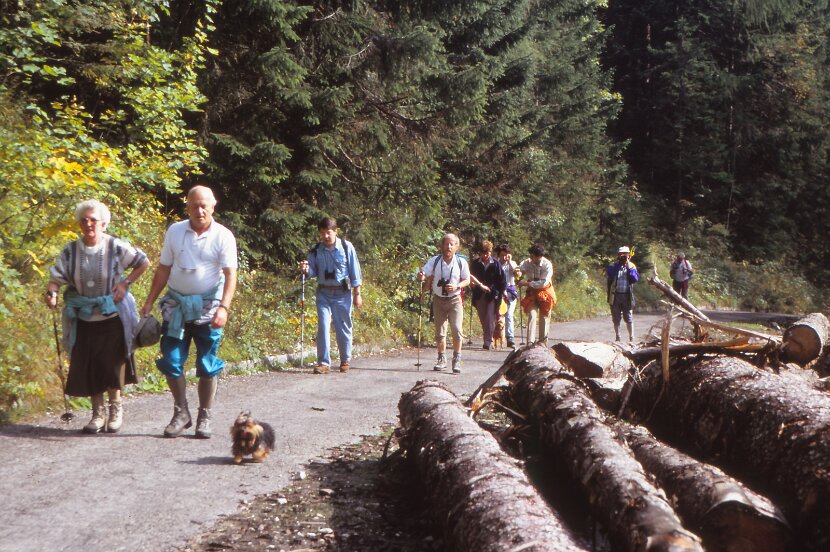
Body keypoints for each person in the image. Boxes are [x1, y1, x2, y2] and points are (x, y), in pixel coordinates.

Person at [140, 186, 238, 438]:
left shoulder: (223, 236)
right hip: (176, 306)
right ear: (187, 207)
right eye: (194, 205)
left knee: (207, 364)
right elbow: (163, 268)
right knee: (171, 360)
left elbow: (230, 275)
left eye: (204, 205)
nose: (199, 210)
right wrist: (150, 300)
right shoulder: (175, 231)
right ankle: (181, 412)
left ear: (213, 206)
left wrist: (224, 308)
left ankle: (204, 414)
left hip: (209, 307)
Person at [45, 200, 149, 434]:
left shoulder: (115, 246)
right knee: (90, 364)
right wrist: (52, 293)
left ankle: (115, 409)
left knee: (112, 364)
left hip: (112, 314)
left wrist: (125, 283)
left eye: (93, 220)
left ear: (103, 223)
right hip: (83, 316)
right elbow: (56, 277)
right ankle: (97, 414)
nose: (89, 224)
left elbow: (143, 262)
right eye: (84, 220)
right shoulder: (70, 250)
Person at [299, 217, 363, 374]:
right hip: (323, 293)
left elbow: (355, 271)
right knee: (323, 326)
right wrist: (306, 270)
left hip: (342, 294)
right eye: (322, 233)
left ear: (335, 231)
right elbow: (312, 272)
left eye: (328, 233)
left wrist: (357, 293)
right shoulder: (316, 250)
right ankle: (323, 363)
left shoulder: (347, 248)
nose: (325, 236)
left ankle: (345, 360)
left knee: (343, 327)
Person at [417, 233, 470, 373]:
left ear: (456, 247)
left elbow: (467, 280)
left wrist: (457, 286)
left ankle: (457, 359)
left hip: (455, 300)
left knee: (457, 330)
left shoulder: (461, 262)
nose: (448, 246)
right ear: (442, 246)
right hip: (438, 300)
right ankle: (441, 359)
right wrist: (421, 276)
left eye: (452, 244)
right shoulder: (434, 261)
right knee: (440, 332)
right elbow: (424, 273)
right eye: (446, 244)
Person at [469, 240, 506, 350]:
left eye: (487, 253)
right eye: (483, 253)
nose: (485, 255)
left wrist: (500, 293)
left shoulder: (495, 263)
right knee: (483, 317)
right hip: (479, 294)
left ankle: (488, 341)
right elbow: (470, 277)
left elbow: (502, 280)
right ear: (480, 253)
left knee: (490, 317)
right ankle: (488, 336)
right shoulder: (475, 264)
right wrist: (473, 286)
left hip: (492, 295)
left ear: (490, 252)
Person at [516, 244, 556, 345]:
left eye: (532, 256)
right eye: (530, 256)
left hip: (545, 292)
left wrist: (526, 283)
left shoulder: (547, 265)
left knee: (544, 316)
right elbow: (519, 268)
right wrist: (518, 272)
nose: (531, 258)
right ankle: (530, 342)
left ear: (539, 256)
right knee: (532, 314)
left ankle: (543, 342)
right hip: (532, 293)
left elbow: (543, 283)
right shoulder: (527, 262)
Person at [606, 245, 640, 342]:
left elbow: (635, 279)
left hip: (627, 296)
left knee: (628, 316)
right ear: (618, 255)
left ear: (629, 255)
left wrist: (628, 267)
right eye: (621, 255)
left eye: (625, 255)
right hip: (615, 295)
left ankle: (631, 337)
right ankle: (618, 336)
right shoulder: (613, 266)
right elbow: (610, 274)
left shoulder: (632, 266)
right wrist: (618, 265)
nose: (623, 257)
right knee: (616, 317)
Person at [496, 244, 519, 348]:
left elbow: (517, 274)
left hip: (510, 290)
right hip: (499, 290)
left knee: (509, 314)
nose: (504, 258)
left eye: (506, 255)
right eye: (502, 255)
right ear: (499, 255)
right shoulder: (496, 264)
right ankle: (497, 337)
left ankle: (510, 338)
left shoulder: (512, 264)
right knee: (499, 315)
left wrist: (509, 261)